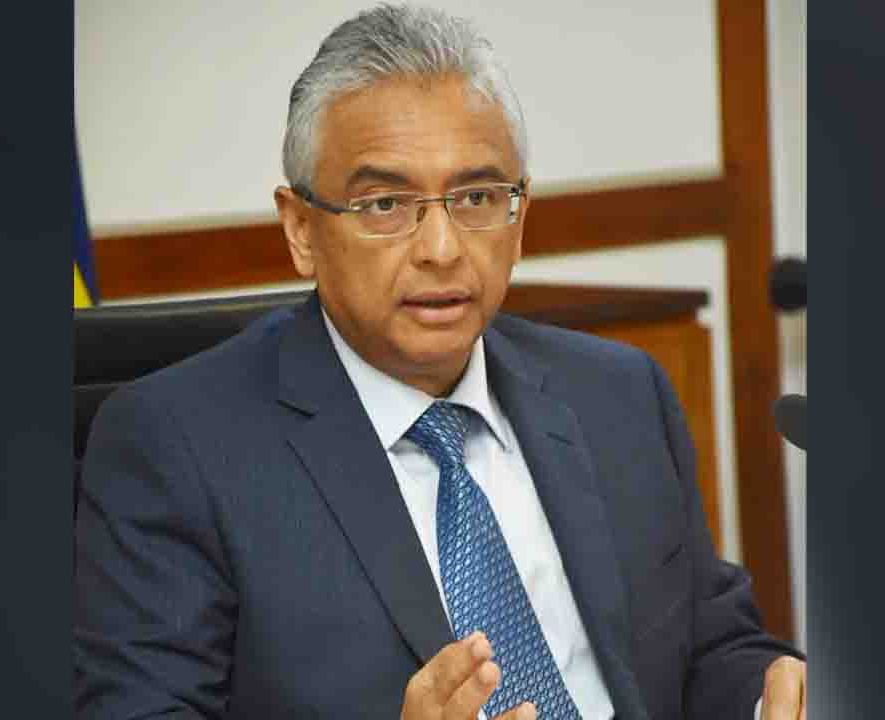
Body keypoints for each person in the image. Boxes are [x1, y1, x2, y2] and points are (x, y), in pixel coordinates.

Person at [75, 4, 805, 718]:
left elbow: (710, 649)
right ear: (300, 229)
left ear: (520, 219)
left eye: (477, 196)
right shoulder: (174, 447)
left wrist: (768, 693)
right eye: (385, 205)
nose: (442, 248)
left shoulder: (619, 393)